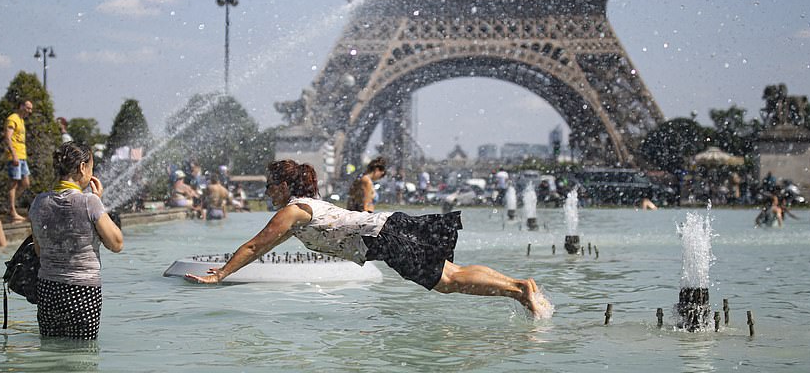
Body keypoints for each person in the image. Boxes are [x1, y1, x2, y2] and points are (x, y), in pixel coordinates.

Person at [185, 160, 549, 317]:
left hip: (384, 236)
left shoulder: (293, 210)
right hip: (387, 227)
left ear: (282, 186)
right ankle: (520, 286)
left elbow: (255, 245)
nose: (267, 193)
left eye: (269, 186)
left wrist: (219, 275)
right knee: (452, 272)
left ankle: (519, 291)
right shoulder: (306, 205)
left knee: (448, 281)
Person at [29, 141, 123, 340]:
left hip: (47, 289)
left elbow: (39, 250)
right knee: (82, 356)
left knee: (51, 351)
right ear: (82, 167)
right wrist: (98, 200)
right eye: (91, 168)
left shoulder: (39, 202)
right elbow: (116, 243)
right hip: (82, 291)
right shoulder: (90, 202)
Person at [3, 100, 33, 222]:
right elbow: (8, 137)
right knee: (14, 183)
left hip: (22, 155)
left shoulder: (21, 120)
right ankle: (12, 211)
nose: (29, 111)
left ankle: (10, 205)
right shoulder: (13, 118)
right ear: (20, 106)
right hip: (15, 155)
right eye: (27, 108)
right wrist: (13, 154)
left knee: (26, 183)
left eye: (30, 109)